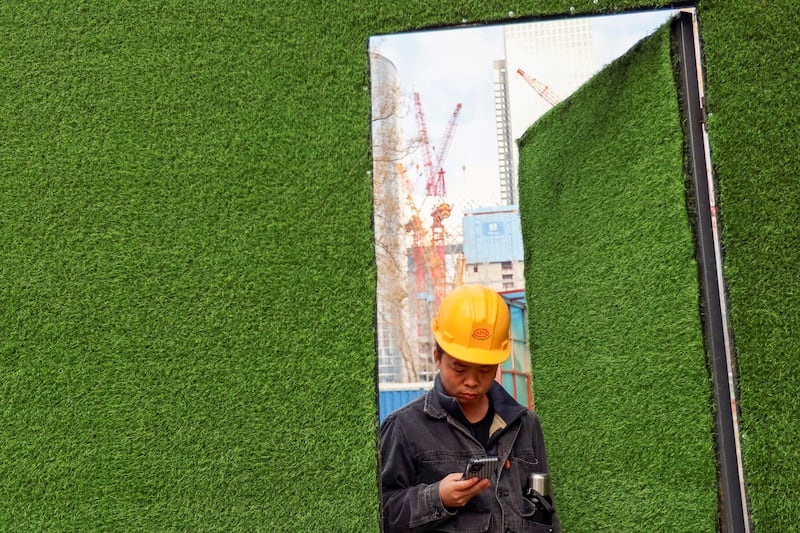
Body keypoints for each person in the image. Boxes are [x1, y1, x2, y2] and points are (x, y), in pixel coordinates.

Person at [380, 284, 560, 532]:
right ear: (437, 357)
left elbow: (543, 509)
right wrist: (437, 498)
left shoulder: (524, 424)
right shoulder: (403, 428)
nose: (472, 381)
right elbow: (381, 512)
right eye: (460, 368)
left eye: (485, 370)